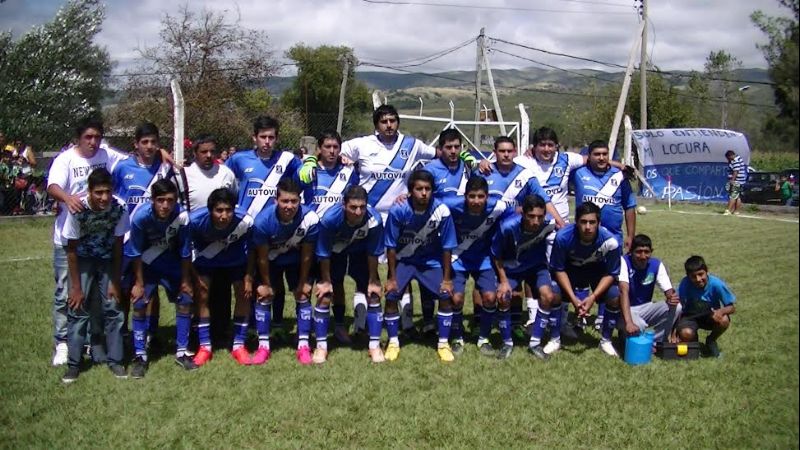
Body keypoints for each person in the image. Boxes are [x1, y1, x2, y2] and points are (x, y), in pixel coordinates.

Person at [305, 105, 477, 335]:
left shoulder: (411, 145)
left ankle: (404, 322)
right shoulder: (361, 144)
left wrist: (466, 155)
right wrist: (309, 162)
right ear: (376, 124)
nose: (389, 125)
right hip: (366, 219)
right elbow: (328, 151)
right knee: (365, 271)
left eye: (393, 120)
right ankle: (361, 322)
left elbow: (441, 152)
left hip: (400, 218)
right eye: (384, 121)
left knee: (398, 269)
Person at [47, 117, 129, 366]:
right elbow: (52, 186)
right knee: (67, 291)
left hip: (99, 239)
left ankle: (93, 341)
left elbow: (133, 158)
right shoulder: (66, 159)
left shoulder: (106, 154)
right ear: (78, 138)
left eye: (97, 137)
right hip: (70, 236)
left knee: (95, 295)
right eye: (88, 137)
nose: (93, 142)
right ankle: (62, 342)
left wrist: (161, 152)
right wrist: (66, 197)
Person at [476, 136, 563, 338]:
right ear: (495, 152)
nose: (506, 154)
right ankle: (480, 321)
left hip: (514, 236)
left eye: (509, 151)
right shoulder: (484, 171)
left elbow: (544, 200)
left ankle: (514, 322)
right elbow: (469, 193)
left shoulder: (525, 175)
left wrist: (560, 221)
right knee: (484, 279)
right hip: (483, 234)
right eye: (502, 151)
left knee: (512, 285)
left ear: (515, 152)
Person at [226, 116, 303, 340]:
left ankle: (277, 323)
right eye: (263, 137)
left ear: (277, 138)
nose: (267, 142)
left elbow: (308, 170)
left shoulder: (287, 160)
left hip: (276, 232)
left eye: (271, 137)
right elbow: (223, 181)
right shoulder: (239, 159)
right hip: (246, 231)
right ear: (254, 138)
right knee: (249, 280)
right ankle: (248, 322)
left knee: (275, 280)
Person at [60, 168, 129, 383]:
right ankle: (74, 364)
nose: (104, 197)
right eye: (98, 192)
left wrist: (116, 282)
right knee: (78, 309)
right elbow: (71, 249)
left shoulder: (119, 207)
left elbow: (119, 245)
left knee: (113, 308)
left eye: (108, 191)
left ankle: (115, 360)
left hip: (108, 259)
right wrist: (77, 288)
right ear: (89, 191)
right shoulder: (78, 209)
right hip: (82, 259)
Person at [383, 170, 458, 362]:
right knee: (391, 295)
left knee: (446, 295)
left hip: (430, 261)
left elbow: (447, 247)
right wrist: (391, 278)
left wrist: (447, 279)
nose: (424, 193)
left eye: (428, 189)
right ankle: (393, 342)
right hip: (405, 261)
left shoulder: (442, 211)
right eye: (419, 189)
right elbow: (390, 246)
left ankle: (443, 344)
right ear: (410, 191)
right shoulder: (398, 210)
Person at [125, 179, 196, 376]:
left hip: (171, 263)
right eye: (160, 200)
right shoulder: (140, 218)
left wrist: (185, 280)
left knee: (185, 300)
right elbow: (135, 252)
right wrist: (138, 283)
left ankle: (182, 351)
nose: (165, 205)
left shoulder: (182, 216)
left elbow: (184, 250)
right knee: (139, 303)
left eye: (170, 200)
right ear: (152, 200)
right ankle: (140, 355)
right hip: (147, 265)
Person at [112, 122, 174, 344]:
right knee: (125, 285)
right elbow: (113, 198)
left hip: (154, 239)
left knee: (150, 286)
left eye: (154, 142)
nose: (149, 146)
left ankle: (151, 332)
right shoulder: (122, 168)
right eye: (144, 142)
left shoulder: (165, 168)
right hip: (128, 239)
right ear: (135, 144)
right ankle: (122, 330)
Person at [299, 130, 360, 342]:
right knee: (306, 283)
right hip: (310, 238)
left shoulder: (349, 172)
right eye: (327, 147)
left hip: (336, 239)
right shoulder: (309, 170)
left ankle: (340, 325)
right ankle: (305, 330)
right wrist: (308, 162)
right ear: (319, 149)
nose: (332, 151)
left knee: (337, 282)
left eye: (336, 147)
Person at [178, 134, 238, 348]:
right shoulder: (184, 175)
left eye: (212, 151)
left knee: (222, 288)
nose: (208, 155)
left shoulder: (226, 173)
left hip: (222, 240)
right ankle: (198, 333)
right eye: (203, 151)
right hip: (196, 241)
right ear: (194, 153)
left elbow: (233, 201)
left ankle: (222, 331)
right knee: (199, 288)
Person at [252, 178, 320, 365]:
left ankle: (304, 345)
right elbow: (262, 258)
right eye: (285, 201)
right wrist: (265, 284)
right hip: (271, 262)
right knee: (264, 296)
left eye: (294, 201)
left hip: (296, 261)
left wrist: (303, 282)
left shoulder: (310, 218)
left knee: (303, 295)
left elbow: (307, 255)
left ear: (300, 200)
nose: (289, 206)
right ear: (276, 200)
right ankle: (263, 345)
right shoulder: (262, 221)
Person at [314, 185, 385, 363]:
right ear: (344, 205)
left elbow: (373, 252)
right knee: (327, 292)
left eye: (362, 206)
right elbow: (323, 252)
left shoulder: (374, 219)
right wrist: (325, 280)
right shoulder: (329, 219)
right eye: (353, 207)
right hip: (334, 254)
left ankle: (374, 345)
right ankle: (323, 344)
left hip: (360, 253)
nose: (358, 211)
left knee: (373, 292)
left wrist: (373, 279)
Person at [572, 139, 636, 329]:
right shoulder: (578, 173)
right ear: (588, 157)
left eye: (604, 154)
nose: (601, 158)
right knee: (581, 275)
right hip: (584, 236)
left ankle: (602, 318)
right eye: (596, 154)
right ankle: (581, 314)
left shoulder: (620, 177)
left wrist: (631, 235)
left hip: (613, 237)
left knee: (609, 276)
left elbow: (630, 207)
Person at [188, 188, 254, 367]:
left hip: (235, 260)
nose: (224, 215)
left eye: (228, 210)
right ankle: (205, 346)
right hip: (206, 261)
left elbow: (253, 250)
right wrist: (193, 278)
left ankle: (239, 344)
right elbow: (187, 250)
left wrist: (248, 276)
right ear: (210, 210)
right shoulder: (195, 221)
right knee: (201, 294)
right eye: (219, 210)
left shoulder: (245, 221)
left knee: (244, 293)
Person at [446, 176, 511, 356]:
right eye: (472, 196)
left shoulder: (497, 206)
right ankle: (457, 337)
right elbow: (430, 202)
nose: (476, 201)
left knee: (490, 298)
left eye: (481, 196)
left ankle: (484, 338)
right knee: (456, 299)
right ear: (464, 196)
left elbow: (518, 212)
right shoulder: (452, 204)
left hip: (483, 259)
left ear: (487, 197)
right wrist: (405, 197)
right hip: (458, 258)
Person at [550, 202, 622, 357]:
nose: (587, 227)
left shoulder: (611, 242)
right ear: (576, 222)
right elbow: (559, 270)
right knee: (554, 292)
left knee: (615, 296)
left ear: (599, 223)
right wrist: (573, 299)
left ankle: (606, 340)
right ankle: (555, 338)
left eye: (592, 222)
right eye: (583, 222)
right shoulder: (563, 237)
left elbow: (611, 273)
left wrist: (593, 297)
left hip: (596, 271)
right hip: (570, 271)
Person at [491, 195, 558, 360]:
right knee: (504, 297)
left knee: (548, 296)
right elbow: (495, 255)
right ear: (523, 214)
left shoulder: (549, 223)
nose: (536, 221)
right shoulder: (507, 227)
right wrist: (504, 281)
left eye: (540, 217)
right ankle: (506, 343)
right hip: (511, 268)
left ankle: (535, 344)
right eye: (531, 216)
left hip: (536, 267)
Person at [618, 234, 682, 343]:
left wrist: (671, 297)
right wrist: (629, 322)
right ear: (631, 251)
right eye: (638, 252)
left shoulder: (656, 264)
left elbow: (668, 290)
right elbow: (623, 291)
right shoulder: (623, 262)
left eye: (646, 252)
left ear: (651, 251)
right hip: (625, 309)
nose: (643, 256)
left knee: (677, 307)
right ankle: (626, 334)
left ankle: (655, 341)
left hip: (646, 307)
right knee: (639, 325)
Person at [675, 256, 736, 358]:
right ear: (687, 276)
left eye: (700, 274)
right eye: (693, 276)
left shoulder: (716, 284)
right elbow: (677, 306)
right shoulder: (685, 284)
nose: (698, 279)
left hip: (709, 316)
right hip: (690, 317)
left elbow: (731, 308)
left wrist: (720, 312)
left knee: (724, 320)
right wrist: (674, 331)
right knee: (686, 333)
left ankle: (711, 340)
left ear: (706, 271)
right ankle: (695, 345)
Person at [724, 150, 747, 215]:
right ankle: (736, 211)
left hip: (737, 181)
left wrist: (732, 180)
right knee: (738, 197)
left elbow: (736, 171)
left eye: (728, 158)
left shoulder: (735, 161)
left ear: (730, 156)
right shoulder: (739, 159)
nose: (728, 159)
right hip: (741, 181)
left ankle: (728, 210)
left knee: (733, 196)